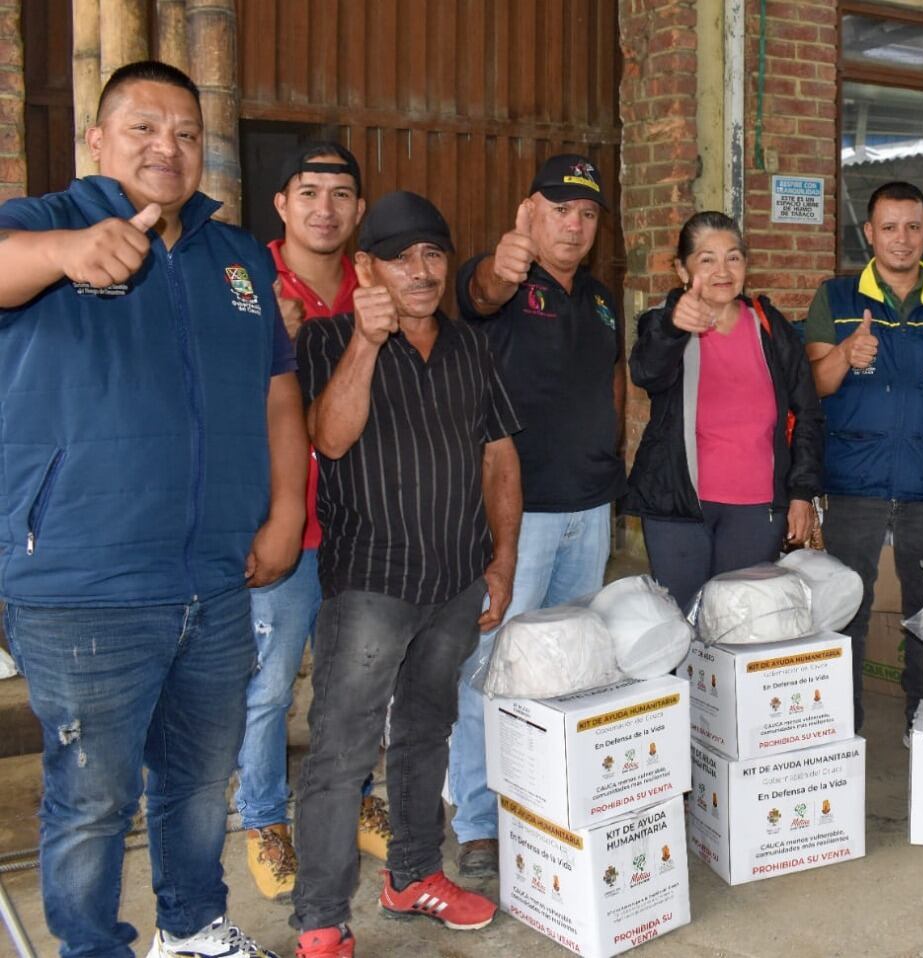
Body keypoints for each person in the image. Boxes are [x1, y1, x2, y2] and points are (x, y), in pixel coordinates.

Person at [0, 61, 302, 958]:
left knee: (202, 776)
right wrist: (63, 255)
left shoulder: (236, 255)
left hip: (215, 574)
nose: (166, 148)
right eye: (142, 128)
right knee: (92, 797)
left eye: (184, 132)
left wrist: (285, 510)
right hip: (82, 582)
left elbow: (278, 390)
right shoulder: (43, 223)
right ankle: (94, 947)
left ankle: (192, 923)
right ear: (96, 139)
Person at [290, 191, 522, 957]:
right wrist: (364, 342)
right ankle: (321, 919)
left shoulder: (467, 348)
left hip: (455, 578)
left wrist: (503, 558)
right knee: (343, 751)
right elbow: (327, 438)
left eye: (432, 255)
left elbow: (497, 456)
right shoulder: (328, 341)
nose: (420, 273)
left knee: (427, 734)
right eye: (400, 257)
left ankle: (414, 875)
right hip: (371, 584)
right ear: (366, 267)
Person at [445, 153, 625, 876]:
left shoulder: (602, 298)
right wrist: (503, 261)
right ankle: (478, 820)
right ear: (531, 212)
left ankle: (543, 802)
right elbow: (480, 292)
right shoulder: (506, 282)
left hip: (590, 508)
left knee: (565, 664)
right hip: (520, 517)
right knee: (487, 666)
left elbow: (609, 384)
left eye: (586, 214)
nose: (574, 225)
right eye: (559, 210)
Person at [239, 142, 393, 902]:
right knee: (270, 686)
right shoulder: (248, 285)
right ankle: (265, 818)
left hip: (363, 526)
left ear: (360, 210)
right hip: (283, 525)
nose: (324, 209)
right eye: (309, 192)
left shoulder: (374, 284)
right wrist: (275, 341)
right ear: (283, 204)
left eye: (340, 195)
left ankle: (356, 790)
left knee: (354, 680)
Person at [804, 181, 923, 745]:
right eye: (889, 227)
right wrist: (844, 353)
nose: (901, 239)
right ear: (870, 234)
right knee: (845, 608)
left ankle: (922, 718)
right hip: (853, 481)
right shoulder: (834, 299)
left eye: (912, 226)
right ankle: (842, 725)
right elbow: (812, 385)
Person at [625, 211, 824, 608]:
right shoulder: (663, 324)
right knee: (681, 627)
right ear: (683, 270)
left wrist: (801, 493)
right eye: (707, 259)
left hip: (756, 510)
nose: (722, 270)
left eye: (733, 257)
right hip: (679, 508)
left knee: (739, 626)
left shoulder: (770, 327)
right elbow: (645, 371)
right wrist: (673, 328)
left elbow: (807, 413)